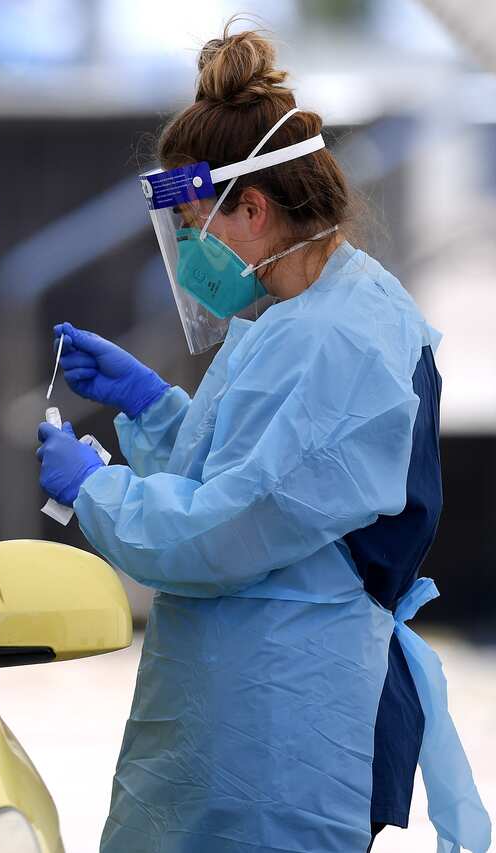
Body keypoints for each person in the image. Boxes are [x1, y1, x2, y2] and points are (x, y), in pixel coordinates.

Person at [35, 24, 490, 853]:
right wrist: (151, 406)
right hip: (248, 719)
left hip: (282, 738)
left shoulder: (340, 341)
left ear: (254, 207)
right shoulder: (310, 315)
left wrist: (95, 489)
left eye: (195, 225)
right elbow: (249, 476)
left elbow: (224, 529)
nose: (188, 255)